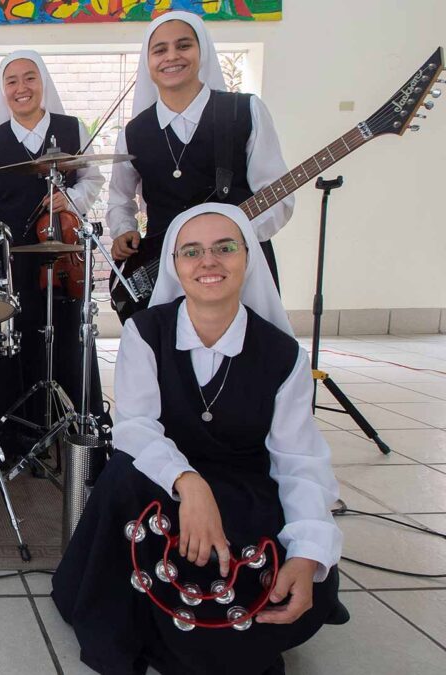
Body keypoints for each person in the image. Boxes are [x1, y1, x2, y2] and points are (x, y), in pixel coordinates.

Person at [52, 203, 347, 675]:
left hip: (246, 489)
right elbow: (135, 426)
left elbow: (299, 461)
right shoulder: (144, 333)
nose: (208, 262)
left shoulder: (282, 355)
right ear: (175, 264)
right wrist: (189, 485)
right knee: (125, 475)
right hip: (159, 482)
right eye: (191, 252)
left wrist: (309, 554)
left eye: (224, 248)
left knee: (274, 582)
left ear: (248, 259)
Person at [107, 11, 292, 304]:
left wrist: (232, 241)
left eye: (183, 46)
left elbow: (278, 197)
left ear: (201, 51)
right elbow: (119, 199)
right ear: (148, 61)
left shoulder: (245, 111)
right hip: (164, 271)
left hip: (238, 270)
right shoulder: (133, 132)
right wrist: (124, 229)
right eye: (160, 50)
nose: (171, 56)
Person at [0, 50, 107, 450]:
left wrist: (72, 200)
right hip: (16, 260)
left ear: (43, 82)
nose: (21, 88)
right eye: (12, 81)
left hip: (63, 254)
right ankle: (24, 428)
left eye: (29, 78)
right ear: (4, 90)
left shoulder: (71, 128)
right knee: (21, 338)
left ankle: (79, 423)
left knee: (69, 336)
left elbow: (93, 178)